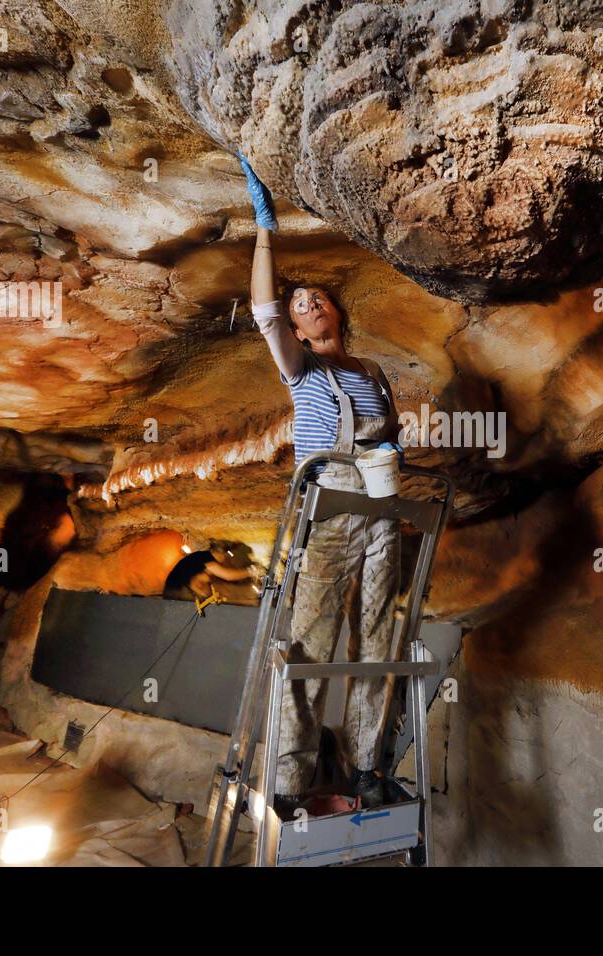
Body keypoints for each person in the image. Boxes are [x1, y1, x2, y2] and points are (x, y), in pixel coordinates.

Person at [240, 152, 403, 812]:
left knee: (377, 639)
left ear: (333, 312)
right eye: (298, 303)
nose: (306, 303)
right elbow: (263, 310)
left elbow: (392, 434)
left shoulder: (372, 370)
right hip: (329, 503)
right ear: (298, 329)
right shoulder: (300, 370)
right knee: (308, 645)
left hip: (383, 505)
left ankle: (367, 765)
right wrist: (264, 229)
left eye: (316, 297)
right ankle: (289, 777)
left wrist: (385, 448)